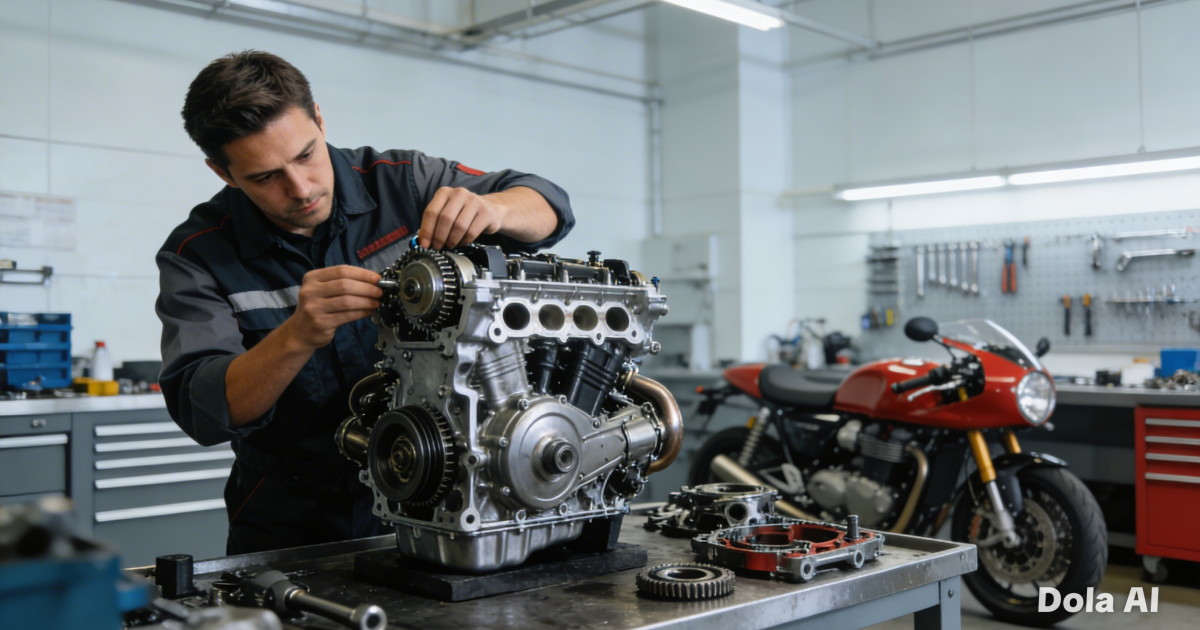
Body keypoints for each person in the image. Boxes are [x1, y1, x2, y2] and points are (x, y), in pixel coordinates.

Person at [156, 50, 574, 554]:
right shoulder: (198, 253)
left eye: (306, 153)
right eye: (265, 177)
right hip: (293, 517)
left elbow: (550, 205)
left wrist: (492, 207)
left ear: (319, 119)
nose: (301, 188)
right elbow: (206, 410)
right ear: (224, 174)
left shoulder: (406, 182)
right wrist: (295, 336)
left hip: (444, 495)